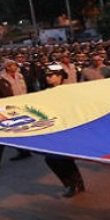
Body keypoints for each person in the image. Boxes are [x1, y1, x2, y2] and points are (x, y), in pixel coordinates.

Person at [41, 64, 86, 197]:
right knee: (52, 159)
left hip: (65, 128)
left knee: (63, 160)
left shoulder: (67, 92)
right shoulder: (46, 91)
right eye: (46, 76)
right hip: (52, 129)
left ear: (60, 76)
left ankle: (74, 185)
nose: (47, 78)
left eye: (50, 76)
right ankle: (73, 184)